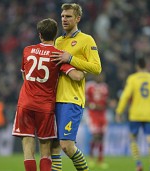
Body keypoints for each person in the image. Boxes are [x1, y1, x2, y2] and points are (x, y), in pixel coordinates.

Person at [12, 18, 85, 171]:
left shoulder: (27, 50)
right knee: (45, 152)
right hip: (45, 107)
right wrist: (85, 67)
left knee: (28, 149)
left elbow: (25, 76)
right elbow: (77, 76)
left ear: (39, 35)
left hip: (25, 103)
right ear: (55, 35)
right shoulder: (58, 55)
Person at [49, 3, 102, 171]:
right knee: (54, 146)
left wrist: (70, 59)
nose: (64, 19)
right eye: (63, 16)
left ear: (77, 18)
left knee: (67, 146)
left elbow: (97, 68)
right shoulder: (58, 41)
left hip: (71, 99)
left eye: (68, 16)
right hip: (53, 98)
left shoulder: (87, 40)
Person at [85, 73, 109, 169]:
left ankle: (100, 160)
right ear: (95, 76)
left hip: (102, 115)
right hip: (92, 114)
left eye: (102, 76)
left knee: (102, 137)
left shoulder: (105, 87)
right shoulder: (89, 86)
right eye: (99, 75)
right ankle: (91, 158)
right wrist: (94, 106)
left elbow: (105, 101)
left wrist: (108, 103)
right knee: (95, 136)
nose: (101, 77)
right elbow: (85, 100)